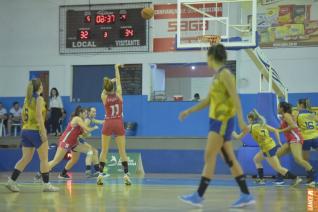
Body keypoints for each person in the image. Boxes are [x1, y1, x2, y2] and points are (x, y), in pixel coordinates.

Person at [178, 44, 255, 208]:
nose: (206, 60)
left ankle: (198, 196)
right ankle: (246, 194)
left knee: (209, 155)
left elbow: (236, 98)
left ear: (211, 57)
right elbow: (208, 101)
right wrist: (189, 111)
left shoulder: (226, 74)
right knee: (229, 158)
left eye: (207, 56)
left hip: (222, 121)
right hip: (216, 121)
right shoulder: (217, 76)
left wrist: (241, 121)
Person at [6, 78, 58, 192]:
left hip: (25, 131)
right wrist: (43, 132)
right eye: (42, 85)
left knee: (25, 158)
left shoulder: (27, 99)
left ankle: (11, 181)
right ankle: (46, 185)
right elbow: (39, 117)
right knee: (44, 159)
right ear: (39, 87)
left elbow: (23, 115)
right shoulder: (39, 99)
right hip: (35, 131)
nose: (43, 86)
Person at [232, 109, 302, 186]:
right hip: (271, 145)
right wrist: (279, 142)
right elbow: (275, 130)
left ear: (251, 119)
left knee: (278, 168)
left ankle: (296, 178)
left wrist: (231, 131)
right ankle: (261, 179)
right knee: (256, 159)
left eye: (248, 119)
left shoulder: (250, 127)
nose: (247, 120)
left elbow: (238, 137)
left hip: (267, 148)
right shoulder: (262, 124)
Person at [35, 106, 99, 180]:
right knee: (56, 161)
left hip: (74, 143)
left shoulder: (82, 121)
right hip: (66, 141)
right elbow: (87, 129)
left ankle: (66, 173)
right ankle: (40, 172)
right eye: (85, 113)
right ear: (80, 113)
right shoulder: (77, 118)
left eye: (87, 113)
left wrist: (87, 134)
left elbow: (84, 134)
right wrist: (94, 128)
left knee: (87, 152)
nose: (86, 114)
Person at [97, 64, 131, 186]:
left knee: (104, 150)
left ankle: (100, 174)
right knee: (122, 151)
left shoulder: (104, 97)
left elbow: (104, 90)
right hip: (118, 122)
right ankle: (126, 175)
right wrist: (116, 68)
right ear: (113, 87)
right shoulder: (119, 94)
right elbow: (119, 80)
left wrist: (109, 82)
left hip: (108, 122)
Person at [275, 102, 315, 185]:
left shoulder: (286, 115)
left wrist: (280, 131)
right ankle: (281, 177)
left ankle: (312, 176)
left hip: (295, 138)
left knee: (298, 159)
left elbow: (293, 126)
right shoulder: (284, 116)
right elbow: (285, 126)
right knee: (276, 156)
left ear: (282, 108)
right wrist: (273, 129)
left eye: (278, 107)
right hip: (290, 140)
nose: (277, 108)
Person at [295, 98, 318, 185]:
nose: (296, 106)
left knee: (305, 160)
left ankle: (311, 178)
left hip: (306, 138)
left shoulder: (298, 114)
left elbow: (294, 126)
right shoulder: (312, 113)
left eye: (297, 105)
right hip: (316, 137)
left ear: (301, 105)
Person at [84, 107, 104, 177]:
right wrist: (92, 129)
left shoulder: (91, 119)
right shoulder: (87, 120)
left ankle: (97, 171)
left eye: (95, 112)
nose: (94, 113)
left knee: (95, 151)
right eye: (93, 112)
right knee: (91, 151)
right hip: (78, 140)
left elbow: (100, 122)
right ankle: (88, 171)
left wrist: (109, 120)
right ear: (89, 112)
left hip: (81, 140)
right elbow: (83, 130)